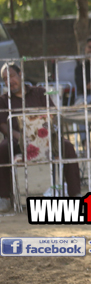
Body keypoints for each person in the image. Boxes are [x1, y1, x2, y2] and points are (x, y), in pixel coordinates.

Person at [0, 63, 81, 209]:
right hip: (18, 141)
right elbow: (3, 126)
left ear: (21, 75)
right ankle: (5, 197)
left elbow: (53, 116)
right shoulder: (4, 100)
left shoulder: (40, 92)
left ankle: (75, 194)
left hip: (46, 138)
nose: (9, 81)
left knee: (67, 146)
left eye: (11, 76)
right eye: (5, 79)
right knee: (3, 148)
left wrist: (47, 133)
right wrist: (22, 137)